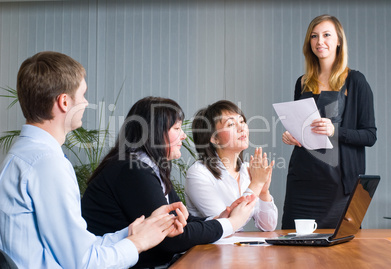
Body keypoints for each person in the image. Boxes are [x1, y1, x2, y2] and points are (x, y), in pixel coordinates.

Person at [0, 51, 187, 269]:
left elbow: (81, 249)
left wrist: (134, 232)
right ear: (64, 102)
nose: (86, 103)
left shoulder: (22, 155)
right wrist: (138, 243)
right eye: (82, 95)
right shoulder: (47, 164)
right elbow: (84, 263)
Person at [81, 96, 257, 268]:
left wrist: (219, 218)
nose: (183, 137)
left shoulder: (148, 167)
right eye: (177, 128)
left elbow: (180, 220)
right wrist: (231, 223)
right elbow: (171, 238)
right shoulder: (132, 170)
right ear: (155, 133)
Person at [281, 14, 377, 229]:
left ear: (339, 41)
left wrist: (335, 130)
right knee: (293, 250)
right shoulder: (303, 82)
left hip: (338, 184)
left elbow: (370, 135)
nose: (319, 41)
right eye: (314, 36)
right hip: (302, 178)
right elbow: (303, 126)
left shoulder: (355, 80)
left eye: (326, 35)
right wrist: (292, 134)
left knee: (341, 254)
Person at [185, 100, 278, 231]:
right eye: (231, 124)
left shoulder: (247, 170)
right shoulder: (198, 173)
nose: (241, 128)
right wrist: (256, 184)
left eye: (241, 121)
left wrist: (263, 192)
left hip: (239, 248)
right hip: (209, 250)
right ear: (214, 138)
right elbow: (225, 225)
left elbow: (268, 226)